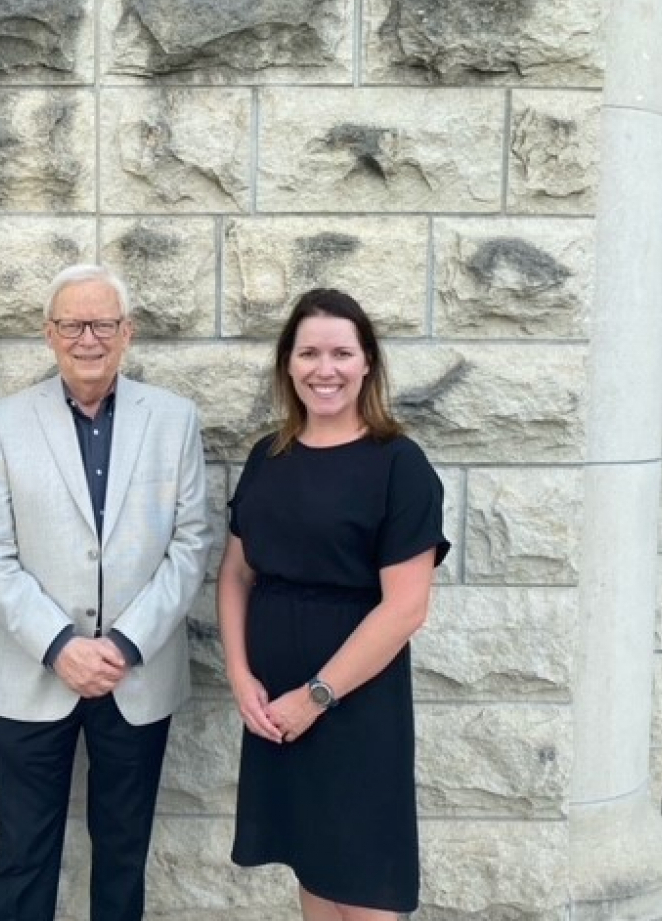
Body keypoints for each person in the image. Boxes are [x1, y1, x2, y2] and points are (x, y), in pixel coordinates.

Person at [0, 264, 210, 921]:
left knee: (122, 852)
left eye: (102, 322)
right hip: (32, 671)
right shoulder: (7, 420)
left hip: (137, 676)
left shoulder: (174, 419)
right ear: (49, 333)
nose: (87, 337)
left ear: (126, 332)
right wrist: (59, 646)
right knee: (21, 854)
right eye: (72, 323)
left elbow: (190, 545)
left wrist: (124, 645)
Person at [217, 288, 451, 921]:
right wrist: (241, 679)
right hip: (274, 708)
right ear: (288, 364)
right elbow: (236, 574)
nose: (326, 369)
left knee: (369, 894)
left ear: (367, 362)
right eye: (310, 352)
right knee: (315, 880)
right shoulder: (268, 457)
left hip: (354, 709)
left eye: (342, 352)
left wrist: (315, 697)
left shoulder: (399, 465)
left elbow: (405, 609)